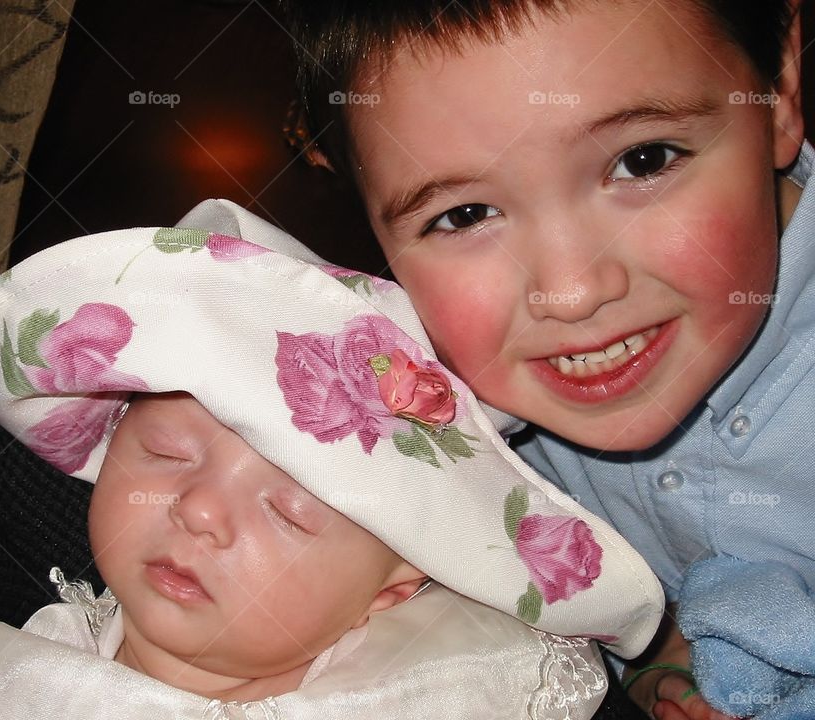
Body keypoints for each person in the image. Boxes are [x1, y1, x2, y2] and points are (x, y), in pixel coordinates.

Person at [0, 204, 663, 719]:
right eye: (164, 451)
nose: (195, 510)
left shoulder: (456, 685)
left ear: (394, 589)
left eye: (290, 511)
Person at [277, 1, 813, 719]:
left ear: (776, 88)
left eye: (642, 160)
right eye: (464, 215)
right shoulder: (429, 407)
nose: (571, 291)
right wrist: (655, 663)